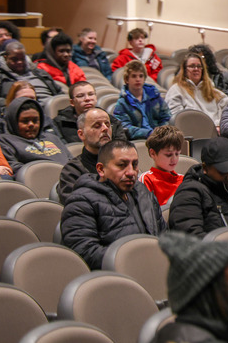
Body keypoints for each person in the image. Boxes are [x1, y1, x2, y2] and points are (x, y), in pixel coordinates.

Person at [61, 140, 166, 269]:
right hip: (114, 275)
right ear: (101, 169)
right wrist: (137, 259)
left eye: (134, 164)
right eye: (122, 165)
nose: (131, 172)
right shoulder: (81, 201)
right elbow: (84, 253)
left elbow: (164, 235)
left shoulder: (143, 192)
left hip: (153, 270)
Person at [0, 97, 72, 175]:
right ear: (13, 122)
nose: (31, 124)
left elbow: (72, 161)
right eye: (25, 121)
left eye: (35, 120)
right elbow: (14, 168)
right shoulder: (4, 141)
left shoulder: (53, 138)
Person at [58, 107, 113, 204]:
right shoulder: (72, 171)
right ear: (81, 134)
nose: (105, 128)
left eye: (107, 124)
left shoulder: (122, 163)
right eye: (97, 126)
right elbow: (77, 207)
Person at [165, 53, 228, 128]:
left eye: (199, 66)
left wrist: (218, 125)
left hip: (216, 130)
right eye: (192, 66)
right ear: (185, 70)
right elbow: (177, 118)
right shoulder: (176, 90)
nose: (196, 69)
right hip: (192, 130)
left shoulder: (212, 90)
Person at [0, 41, 63, 110]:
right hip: (22, 110)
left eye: (22, 59)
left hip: (53, 108)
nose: (19, 62)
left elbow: (59, 91)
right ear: (5, 58)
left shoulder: (40, 72)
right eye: (15, 59)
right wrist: (12, 104)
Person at [113, 60, 172, 139]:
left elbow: (166, 116)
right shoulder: (122, 102)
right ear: (126, 80)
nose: (138, 79)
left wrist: (161, 132)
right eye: (134, 76)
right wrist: (149, 133)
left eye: (141, 76)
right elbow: (125, 128)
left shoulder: (154, 95)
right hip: (138, 140)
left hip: (159, 137)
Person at [54, 81, 127, 143]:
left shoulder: (112, 121)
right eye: (80, 96)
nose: (87, 99)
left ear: (96, 98)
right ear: (72, 102)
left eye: (91, 94)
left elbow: (121, 146)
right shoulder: (60, 122)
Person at [139, 125, 186, 206]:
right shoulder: (146, 179)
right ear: (152, 153)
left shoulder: (183, 179)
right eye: (168, 155)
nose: (174, 159)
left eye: (177, 154)